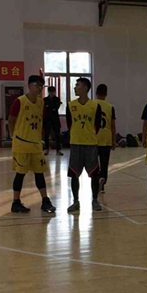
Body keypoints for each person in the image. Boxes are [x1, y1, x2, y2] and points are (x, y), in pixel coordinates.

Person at [8, 74, 56, 214]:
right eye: (37, 85)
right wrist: (13, 135)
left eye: (42, 86)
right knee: (20, 174)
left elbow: (42, 122)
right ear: (29, 86)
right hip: (21, 144)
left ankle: (45, 201)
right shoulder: (20, 101)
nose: (40, 88)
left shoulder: (41, 103)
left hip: (36, 144)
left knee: (39, 173)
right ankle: (16, 202)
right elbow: (11, 120)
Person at [67, 77, 105, 212]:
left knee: (94, 174)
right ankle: (75, 201)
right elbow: (69, 124)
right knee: (74, 174)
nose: (75, 87)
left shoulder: (95, 106)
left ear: (85, 88)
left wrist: (89, 135)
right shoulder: (70, 105)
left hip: (90, 144)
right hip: (76, 144)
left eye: (77, 85)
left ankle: (95, 200)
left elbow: (97, 125)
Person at [95, 84, 117, 194]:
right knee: (104, 163)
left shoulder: (92, 105)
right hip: (106, 138)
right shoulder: (110, 107)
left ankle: (96, 181)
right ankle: (102, 182)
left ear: (96, 93)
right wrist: (114, 140)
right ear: (106, 94)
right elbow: (113, 126)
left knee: (94, 164)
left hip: (94, 138)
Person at [42, 85, 63, 155]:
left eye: (53, 92)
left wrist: (49, 107)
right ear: (48, 92)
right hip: (47, 119)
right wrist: (51, 108)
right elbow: (45, 109)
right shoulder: (45, 100)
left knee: (57, 135)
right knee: (46, 135)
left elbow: (56, 108)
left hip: (55, 119)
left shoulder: (57, 99)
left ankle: (58, 150)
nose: (52, 93)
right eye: (50, 92)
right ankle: (46, 149)